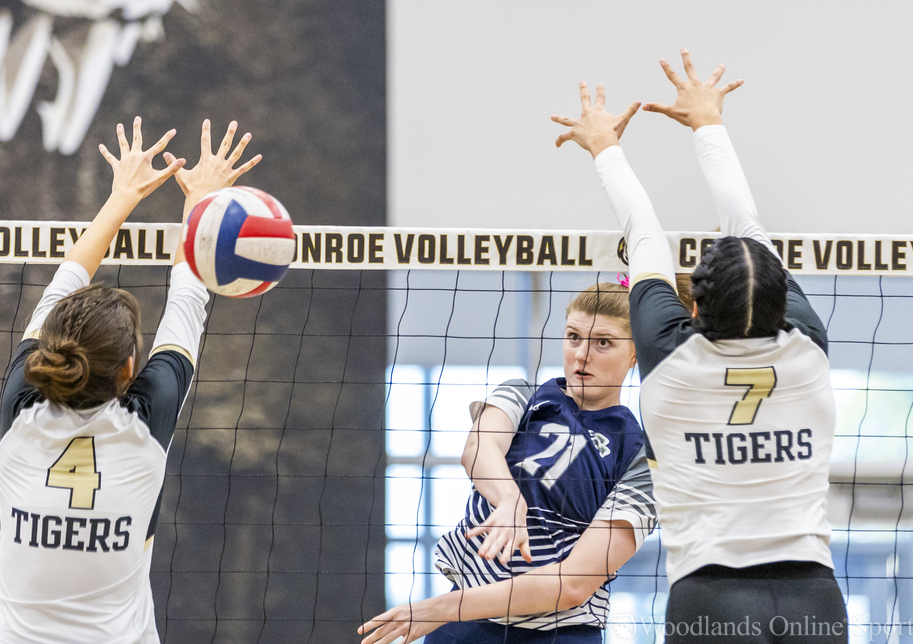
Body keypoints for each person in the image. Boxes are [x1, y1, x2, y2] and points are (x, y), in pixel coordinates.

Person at [552, 50, 848, 642]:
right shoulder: (807, 349)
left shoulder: (669, 356)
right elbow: (749, 226)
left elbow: (645, 233)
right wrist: (709, 122)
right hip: (815, 598)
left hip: (711, 599)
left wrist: (604, 144)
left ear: (692, 308)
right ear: (781, 300)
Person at [0, 118, 261, 643]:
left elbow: (70, 278)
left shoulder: (20, 409)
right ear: (130, 371)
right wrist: (201, 203)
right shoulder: (146, 423)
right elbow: (188, 295)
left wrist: (123, 195)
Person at [360, 283, 657, 644]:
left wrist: (441, 609)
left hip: (556, 634)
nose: (581, 355)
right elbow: (477, 448)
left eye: (603, 342)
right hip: (464, 625)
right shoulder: (525, 394)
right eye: (573, 337)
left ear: (635, 353)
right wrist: (509, 499)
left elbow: (574, 585)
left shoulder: (641, 456)